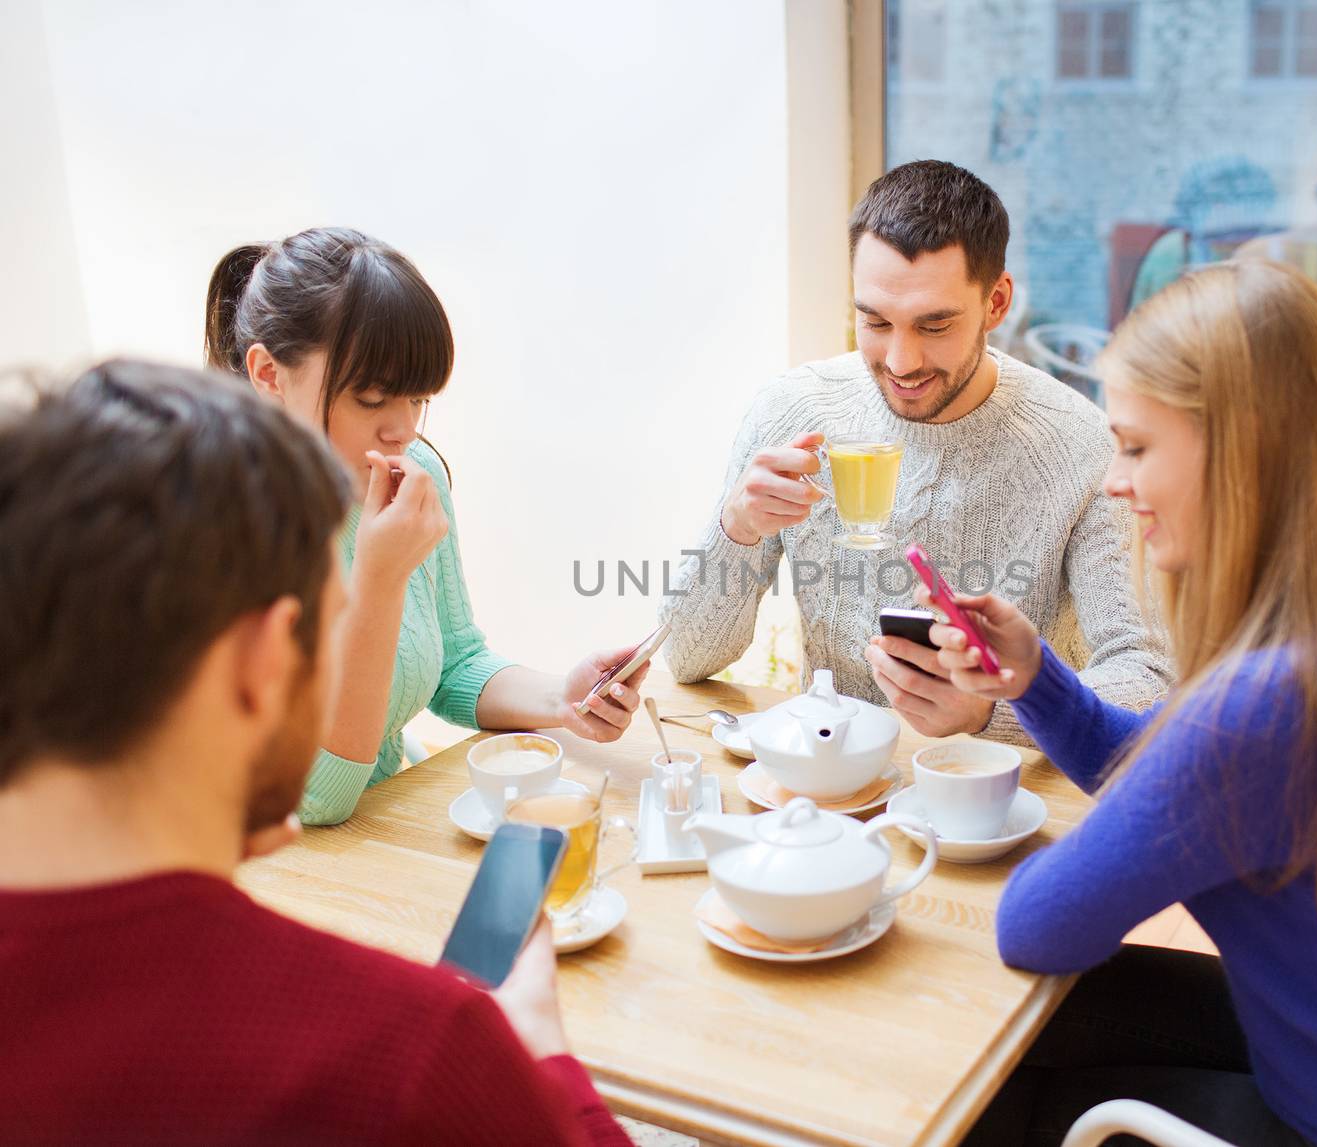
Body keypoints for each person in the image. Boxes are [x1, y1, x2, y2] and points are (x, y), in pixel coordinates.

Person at [928, 261, 1317, 1146]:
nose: (1113, 482)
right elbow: (1177, 785)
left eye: (1136, 447)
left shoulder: (1266, 705)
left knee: (982, 1098)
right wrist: (1037, 680)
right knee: (1043, 1024)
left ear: (1242, 454)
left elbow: (1038, 924)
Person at [0, 361, 632, 1145]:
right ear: (263, 663)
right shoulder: (418, 1052)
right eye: (337, 629)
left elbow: (460, 655)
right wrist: (536, 1048)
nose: (400, 424)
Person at [659, 161, 1171, 745]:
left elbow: (1148, 675)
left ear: (997, 302)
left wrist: (992, 713)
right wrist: (736, 529)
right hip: (830, 783)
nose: (901, 362)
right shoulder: (791, 411)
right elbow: (686, 659)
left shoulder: (1082, 447)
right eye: (874, 321)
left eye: (934, 325)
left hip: (996, 799)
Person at [205, 227, 647, 825]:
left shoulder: (410, 476)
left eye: (418, 400)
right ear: (267, 373)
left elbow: (455, 662)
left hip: (383, 823)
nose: (403, 430)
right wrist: (379, 581)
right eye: (371, 399)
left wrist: (560, 698)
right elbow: (314, 799)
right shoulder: (217, 528)